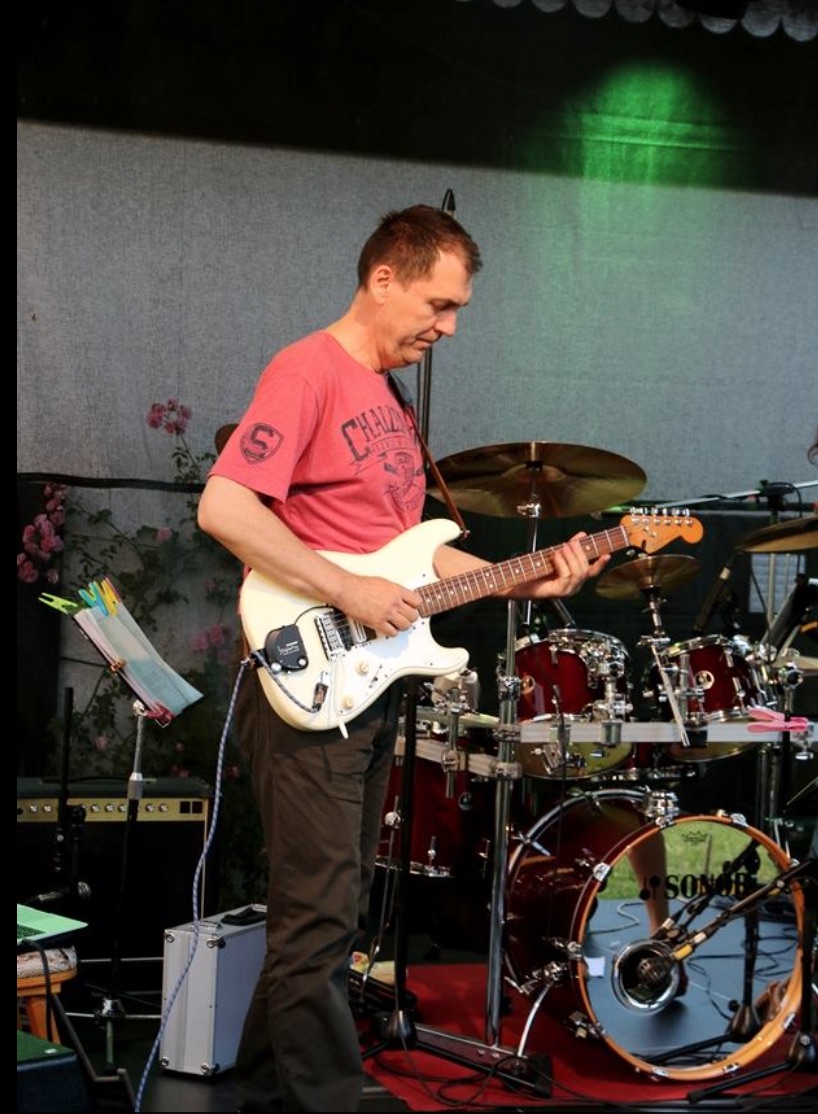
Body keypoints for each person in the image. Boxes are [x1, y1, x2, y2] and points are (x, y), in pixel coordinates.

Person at [197, 203, 609, 1113]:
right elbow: (223, 507)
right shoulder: (307, 370)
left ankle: (267, 1089)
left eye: (457, 309)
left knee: (327, 915)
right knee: (320, 917)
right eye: (439, 304)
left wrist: (527, 576)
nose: (448, 327)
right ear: (384, 278)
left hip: (364, 681)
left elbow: (416, 560)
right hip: (309, 673)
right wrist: (346, 591)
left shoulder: (389, 400)